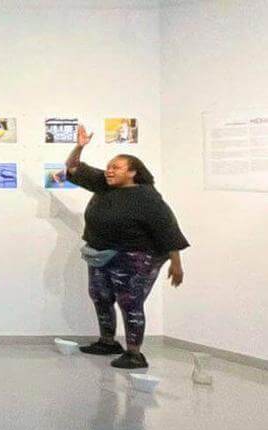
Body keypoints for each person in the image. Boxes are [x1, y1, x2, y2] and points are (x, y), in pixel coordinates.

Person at [64, 124, 188, 371]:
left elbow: (167, 229)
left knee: (130, 301)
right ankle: (108, 342)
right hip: (101, 254)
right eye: (109, 167)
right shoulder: (103, 183)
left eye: (116, 167)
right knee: (100, 295)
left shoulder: (147, 197)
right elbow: (73, 168)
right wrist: (80, 146)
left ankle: (134, 354)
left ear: (132, 172)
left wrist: (176, 263)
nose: (109, 171)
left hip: (136, 256)